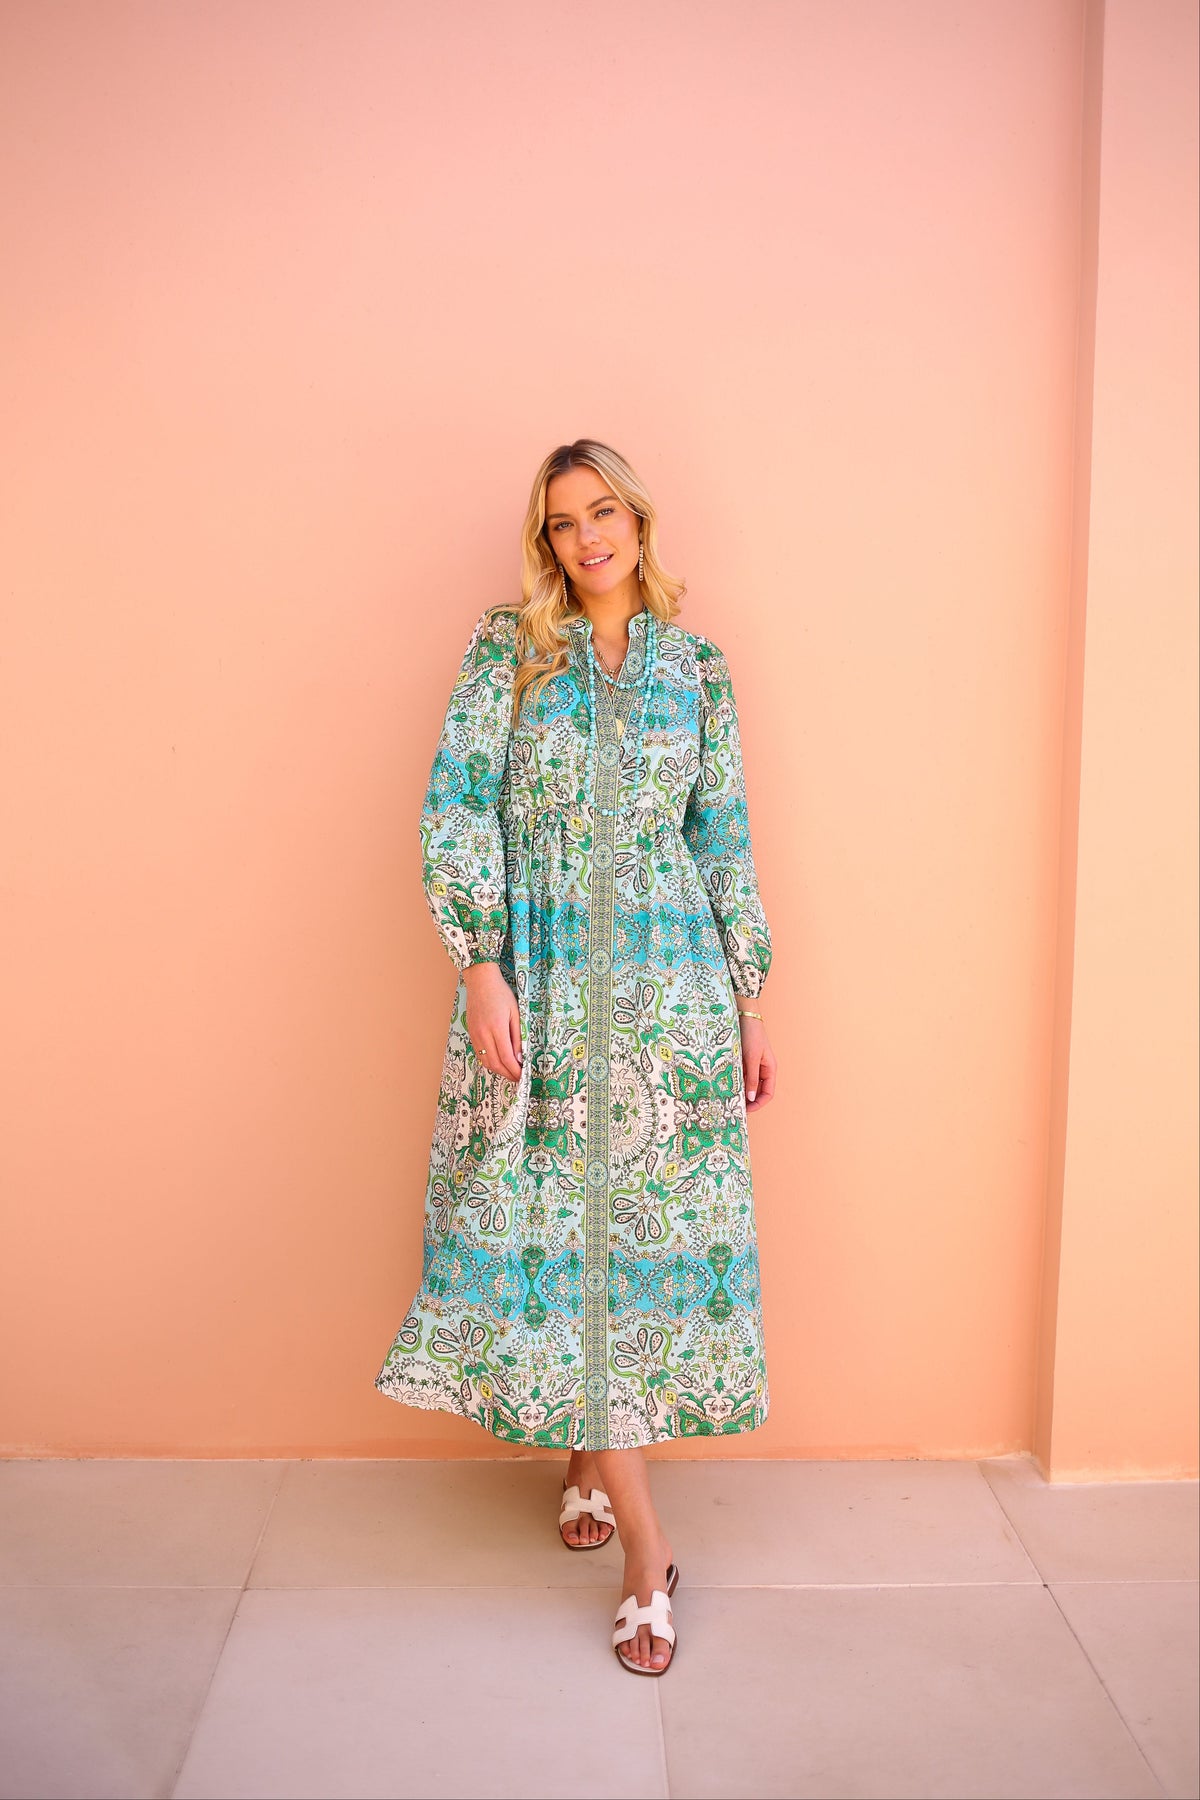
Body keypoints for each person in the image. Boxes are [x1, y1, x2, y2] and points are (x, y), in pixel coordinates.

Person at [375, 437, 777, 1675]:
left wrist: (749, 999)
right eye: (563, 522)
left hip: (668, 1001)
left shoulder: (697, 670)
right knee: (558, 1234)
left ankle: (626, 1527)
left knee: (632, 1256)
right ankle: (640, 1535)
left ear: (638, 522)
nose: (588, 537)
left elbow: (721, 840)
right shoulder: (507, 652)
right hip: (540, 987)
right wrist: (479, 963)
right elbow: (457, 805)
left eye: (604, 512)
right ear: (545, 542)